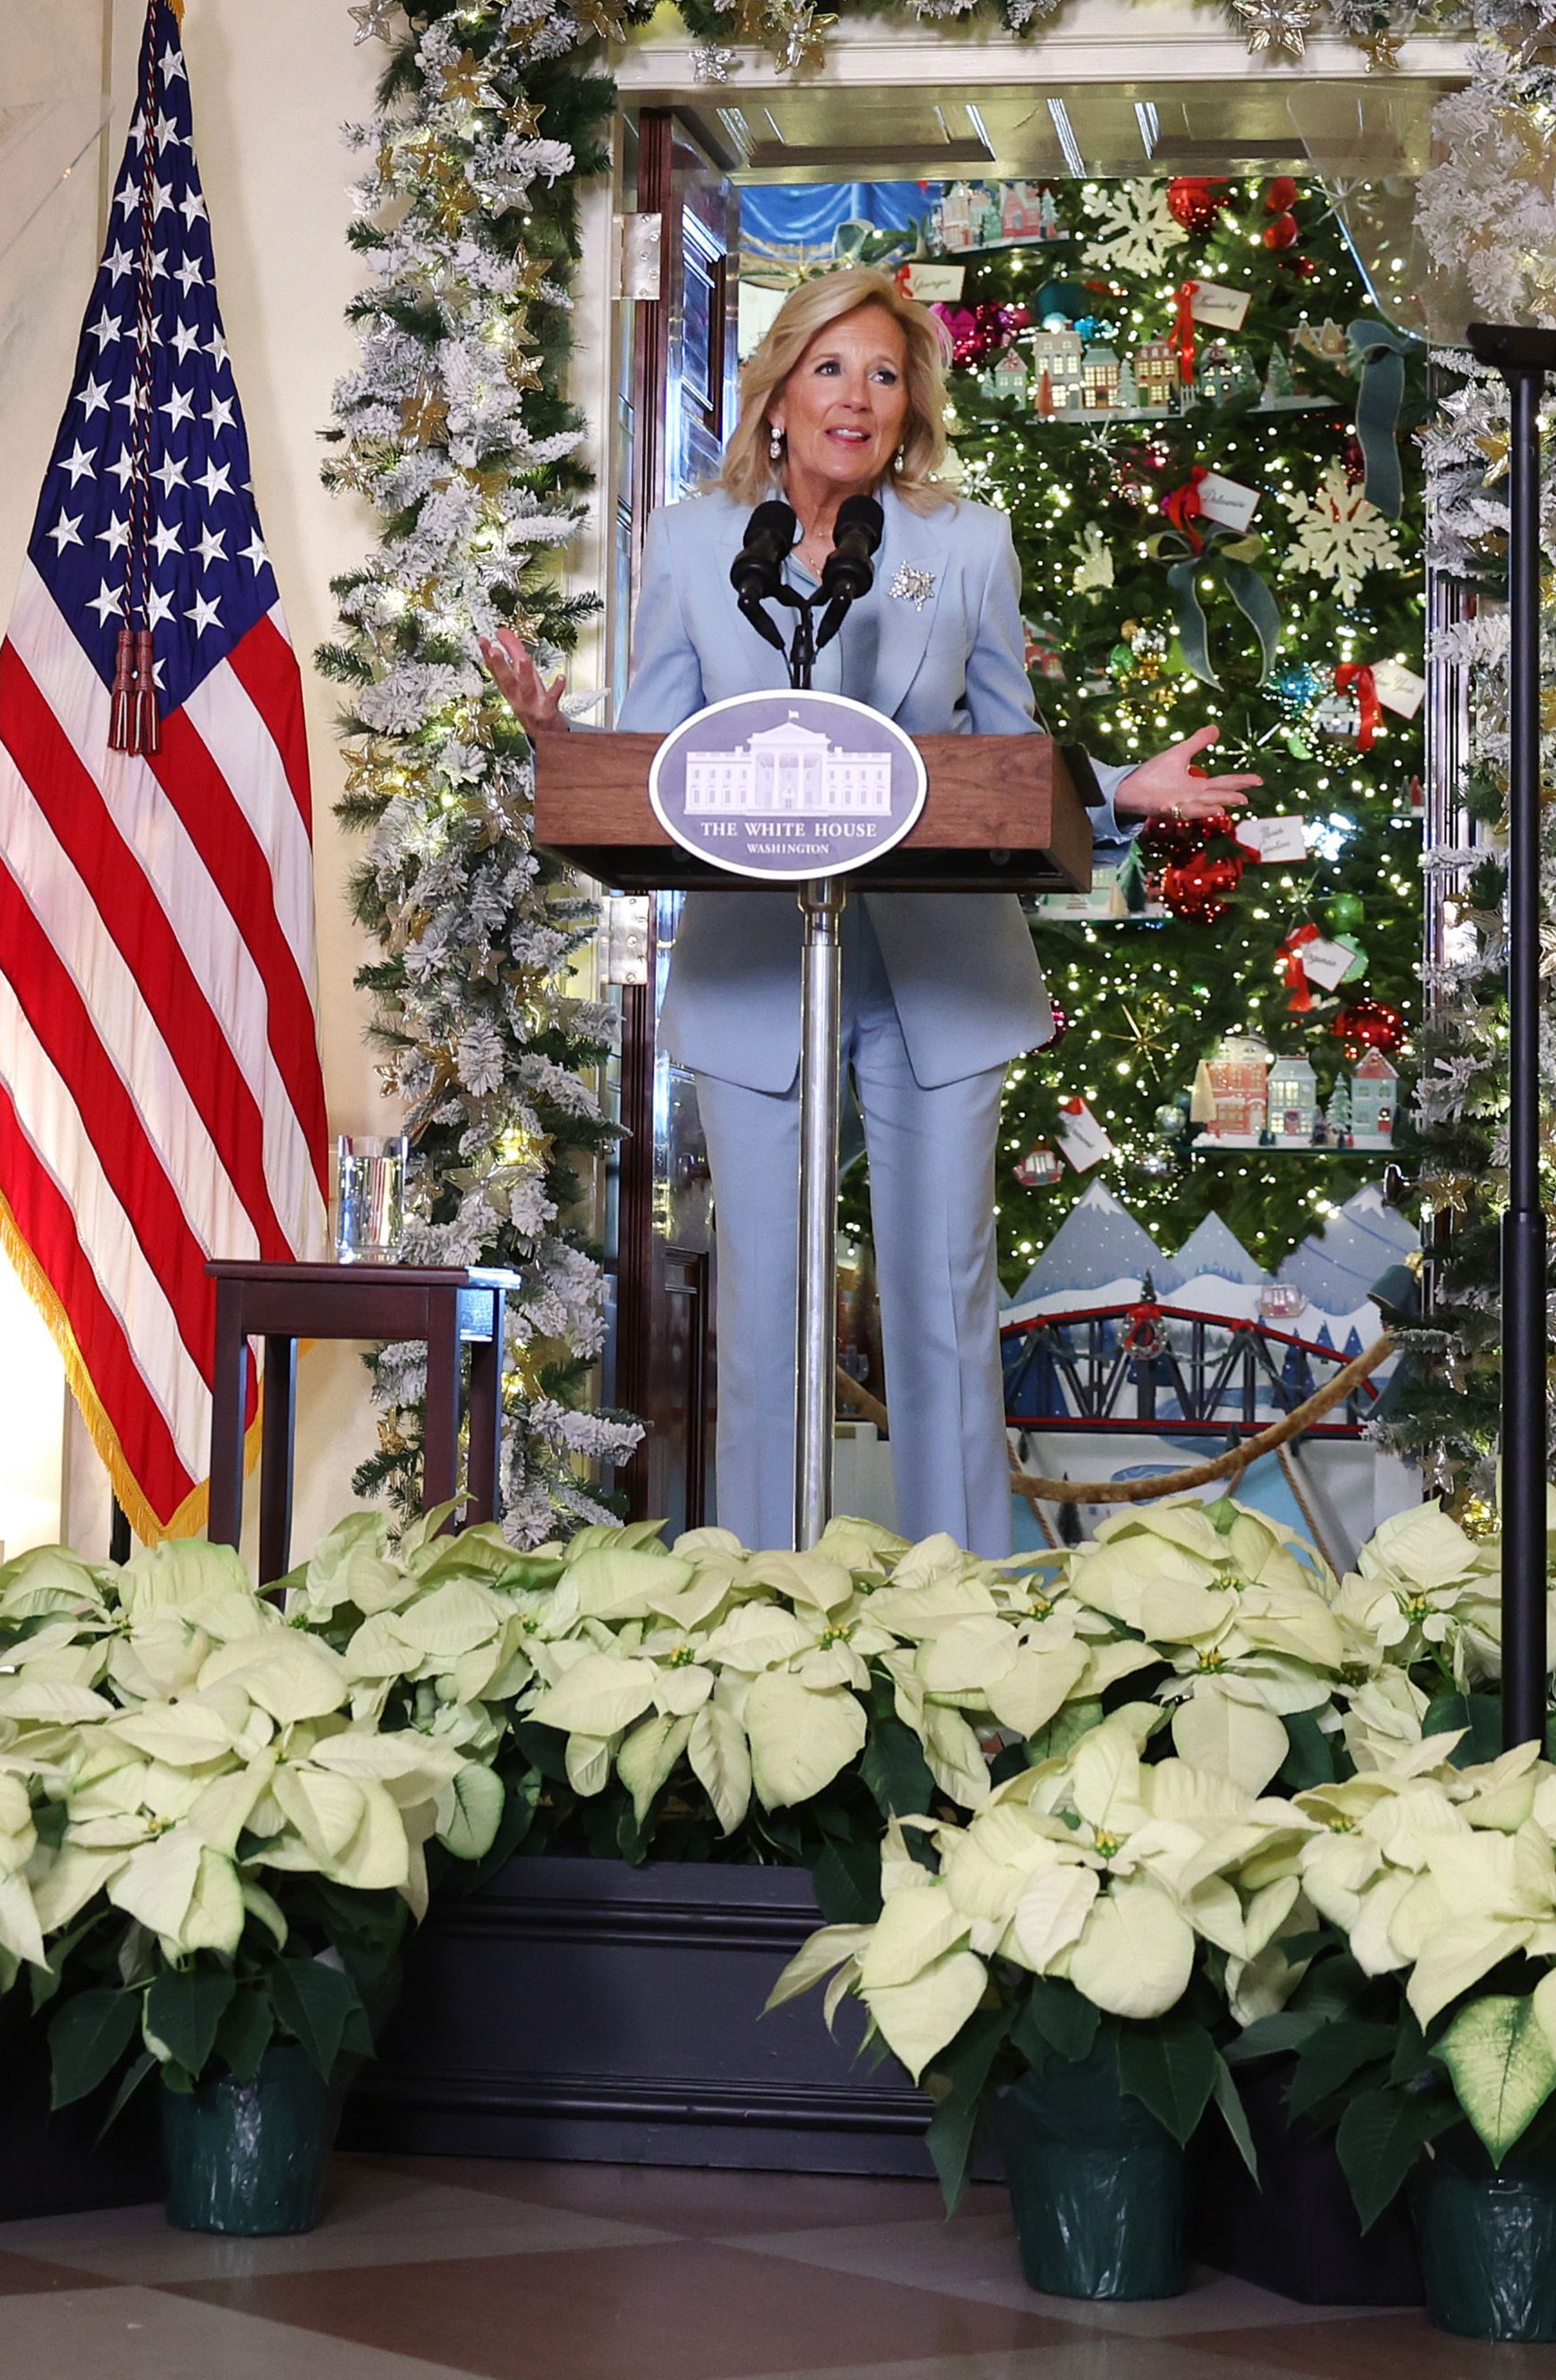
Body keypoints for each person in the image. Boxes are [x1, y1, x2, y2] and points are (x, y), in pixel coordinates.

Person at [481, 267, 1256, 1552]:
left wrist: (1122, 789)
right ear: (779, 392)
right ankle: (773, 1606)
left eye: (885, 374)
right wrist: (565, 744)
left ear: (913, 405)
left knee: (940, 1295)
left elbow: (1008, 754)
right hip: (755, 962)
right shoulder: (688, 543)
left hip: (939, 970)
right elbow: (663, 750)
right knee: (765, 1301)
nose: (858, 396)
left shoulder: (967, 545)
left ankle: (969, 1614)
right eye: (830, 368)